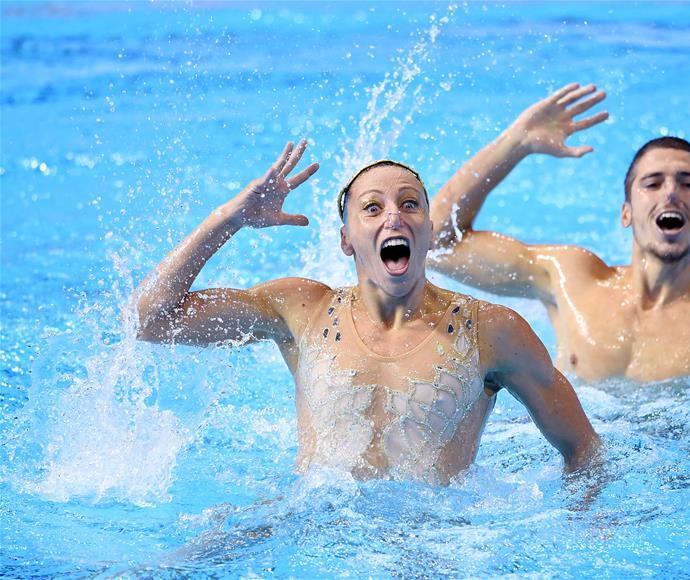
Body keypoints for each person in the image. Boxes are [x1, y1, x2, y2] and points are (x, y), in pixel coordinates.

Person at [136, 140, 600, 484]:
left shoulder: (492, 332)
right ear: (345, 239)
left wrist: (583, 528)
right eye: (372, 208)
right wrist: (227, 219)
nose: (393, 217)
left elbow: (584, 450)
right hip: (309, 535)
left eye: (410, 204)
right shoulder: (303, 310)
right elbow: (153, 320)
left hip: (435, 548)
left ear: (428, 229)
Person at [430, 83, 690, 382]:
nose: (671, 193)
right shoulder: (570, 279)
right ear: (626, 213)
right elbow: (435, 243)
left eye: (688, 184)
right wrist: (516, 143)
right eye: (653, 183)